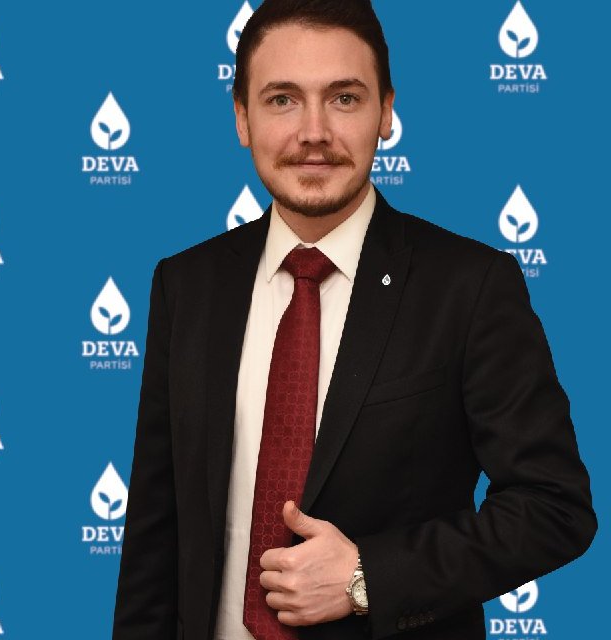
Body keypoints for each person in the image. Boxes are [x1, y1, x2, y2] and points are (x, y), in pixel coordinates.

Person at [111, 1, 595, 638]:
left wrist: (370, 575)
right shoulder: (186, 284)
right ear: (242, 118)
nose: (313, 132)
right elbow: (155, 529)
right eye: (282, 100)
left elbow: (554, 507)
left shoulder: (470, 286)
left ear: (386, 113)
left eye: (344, 98)